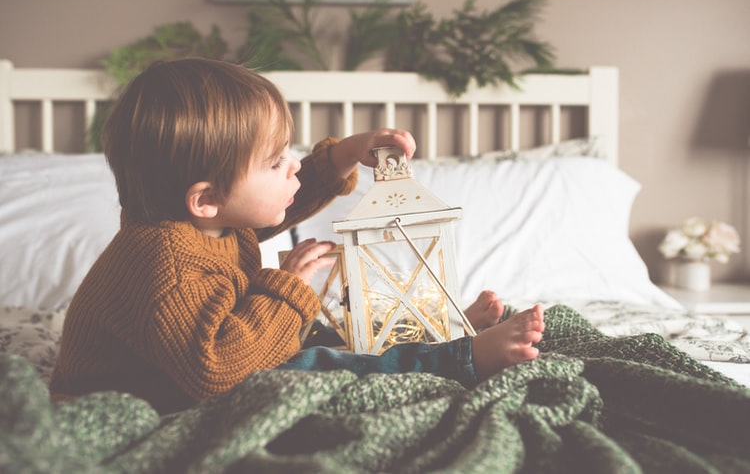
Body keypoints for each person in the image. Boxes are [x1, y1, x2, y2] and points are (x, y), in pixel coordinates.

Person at [49, 58, 544, 415]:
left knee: (343, 329)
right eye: (274, 161)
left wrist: (343, 155)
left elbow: (270, 204)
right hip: (157, 392)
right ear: (205, 199)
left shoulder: (202, 219)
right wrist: (287, 291)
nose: (292, 167)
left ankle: (440, 330)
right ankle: (459, 358)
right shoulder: (165, 266)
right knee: (314, 362)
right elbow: (218, 375)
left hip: (202, 362)